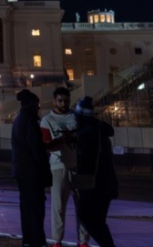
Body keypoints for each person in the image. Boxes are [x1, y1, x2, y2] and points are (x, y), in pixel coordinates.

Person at [40, 87, 88, 247]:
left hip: (77, 165)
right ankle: (57, 240)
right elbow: (46, 145)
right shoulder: (47, 120)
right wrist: (63, 139)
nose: (63, 103)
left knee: (82, 206)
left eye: (66, 101)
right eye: (60, 100)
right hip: (58, 166)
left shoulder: (76, 117)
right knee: (58, 206)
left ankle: (83, 240)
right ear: (54, 101)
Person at [72, 96, 118, 247]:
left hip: (93, 185)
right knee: (98, 221)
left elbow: (84, 161)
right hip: (106, 184)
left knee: (87, 217)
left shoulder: (86, 134)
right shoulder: (99, 130)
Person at [10, 89, 49, 247]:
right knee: (36, 209)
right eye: (37, 105)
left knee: (26, 208)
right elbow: (36, 149)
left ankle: (28, 240)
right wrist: (45, 170)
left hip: (21, 171)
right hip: (32, 172)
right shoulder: (30, 121)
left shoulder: (18, 120)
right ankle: (38, 241)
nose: (38, 108)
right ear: (32, 105)